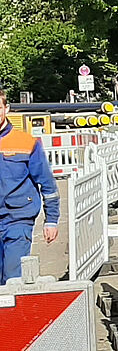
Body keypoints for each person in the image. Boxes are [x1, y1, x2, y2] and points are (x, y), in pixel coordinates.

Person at [0, 87, 60, 283]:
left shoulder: (26, 142)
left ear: (6, 108)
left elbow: (47, 183)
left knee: (12, 278)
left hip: (17, 219)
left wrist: (51, 220)